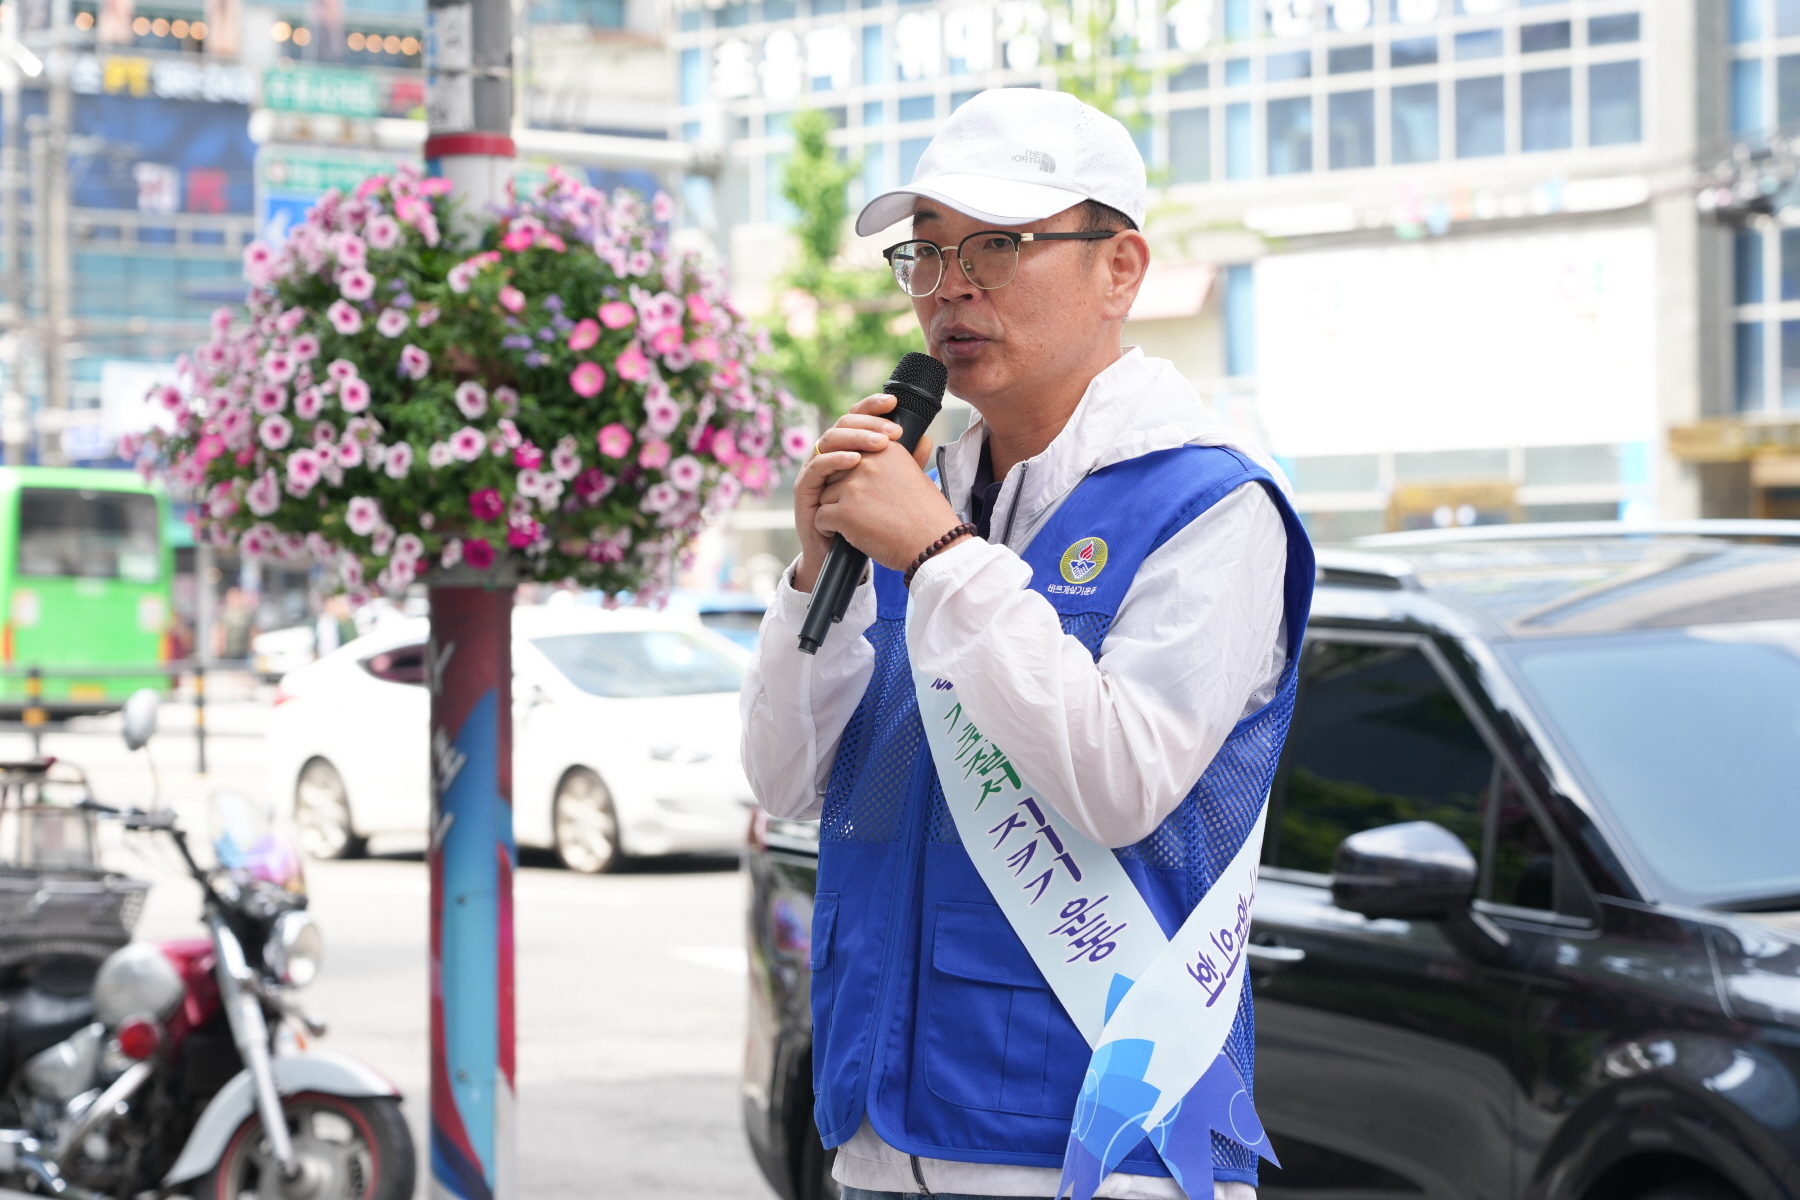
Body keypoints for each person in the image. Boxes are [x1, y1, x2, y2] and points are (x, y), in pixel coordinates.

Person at [740, 88, 1313, 1200]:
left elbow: (1120, 782)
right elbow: (784, 780)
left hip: (1096, 1149)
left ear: (1121, 268)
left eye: (1000, 244)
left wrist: (944, 557)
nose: (951, 286)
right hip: (871, 1127)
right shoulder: (912, 489)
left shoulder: (1211, 504)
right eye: (929, 252)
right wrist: (818, 570)